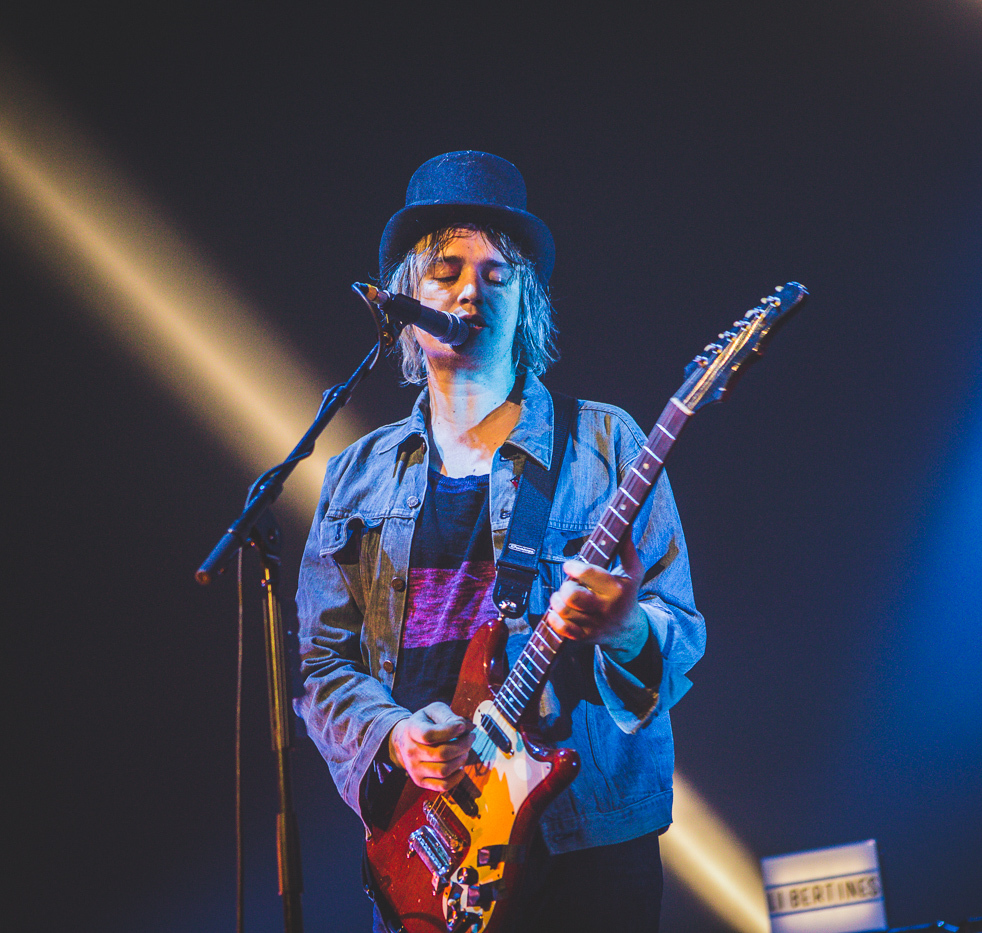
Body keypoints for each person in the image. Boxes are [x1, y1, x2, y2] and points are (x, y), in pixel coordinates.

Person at [294, 151, 704, 932]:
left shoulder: (607, 444)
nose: (468, 292)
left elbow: (677, 634)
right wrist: (393, 735)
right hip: (426, 854)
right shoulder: (354, 477)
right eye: (445, 271)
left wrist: (625, 629)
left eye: (496, 274)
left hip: (586, 841)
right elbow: (321, 663)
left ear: (527, 304)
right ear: (406, 300)